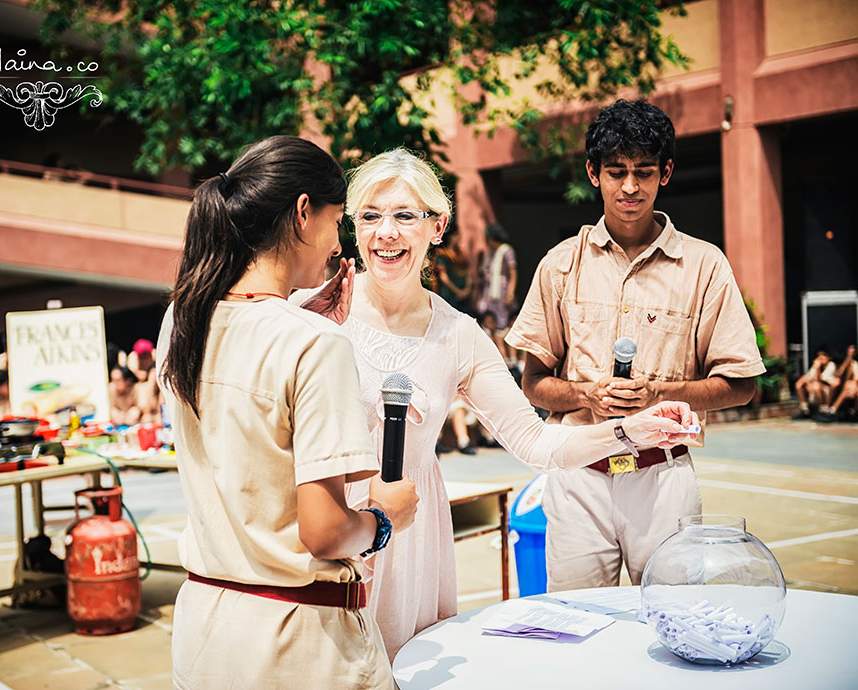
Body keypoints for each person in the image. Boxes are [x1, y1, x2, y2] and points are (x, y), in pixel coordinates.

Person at [323, 147, 698, 659]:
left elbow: (536, 441)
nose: (385, 232)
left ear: (438, 227)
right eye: (370, 216)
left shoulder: (458, 335)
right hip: (325, 524)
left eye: (405, 216)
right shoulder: (315, 310)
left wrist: (633, 430)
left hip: (411, 535)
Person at [156, 135, 418, 689]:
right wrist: (385, 519)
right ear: (303, 213)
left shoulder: (181, 318)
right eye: (338, 220)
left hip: (206, 627)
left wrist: (302, 315)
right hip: (297, 644)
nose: (337, 243)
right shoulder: (314, 344)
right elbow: (324, 532)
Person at [506, 99, 765, 593]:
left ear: (665, 172)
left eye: (644, 171)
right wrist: (586, 395)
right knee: (578, 621)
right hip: (579, 478)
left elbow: (742, 385)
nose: (630, 187)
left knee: (673, 622)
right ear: (593, 173)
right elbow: (533, 384)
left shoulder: (704, 266)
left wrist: (658, 397)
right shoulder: (561, 265)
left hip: (663, 478)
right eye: (616, 171)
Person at [475, 223, 517, 333]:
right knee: (487, 318)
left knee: (501, 322)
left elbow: (513, 274)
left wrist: (510, 293)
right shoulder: (489, 252)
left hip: (501, 291)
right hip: (489, 290)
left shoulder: (506, 251)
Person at [793, 347, 839, 419]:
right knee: (800, 384)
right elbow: (808, 377)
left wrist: (817, 368)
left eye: (824, 355)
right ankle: (804, 409)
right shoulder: (816, 366)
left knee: (816, 386)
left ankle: (823, 410)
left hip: (827, 393)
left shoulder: (831, 365)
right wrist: (803, 382)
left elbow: (821, 380)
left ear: (829, 357)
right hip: (815, 390)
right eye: (819, 355)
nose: (821, 357)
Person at [434, 232, 473, 314]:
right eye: (455, 234)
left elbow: (467, 271)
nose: (458, 237)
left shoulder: (461, 254)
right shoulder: (442, 254)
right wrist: (459, 292)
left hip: (463, 294)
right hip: (449, 293)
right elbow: (443, 277)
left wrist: (467, 289)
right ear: (449, 237)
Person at [816, 345, 857, 422]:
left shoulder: (854, 364)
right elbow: (830, 377)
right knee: (836, 382)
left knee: (849, 385)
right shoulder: (832, 365)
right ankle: (828, 409)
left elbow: (855, 380)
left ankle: (835, 410)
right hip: (834, 393)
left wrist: (848, 359)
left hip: (849, 392)